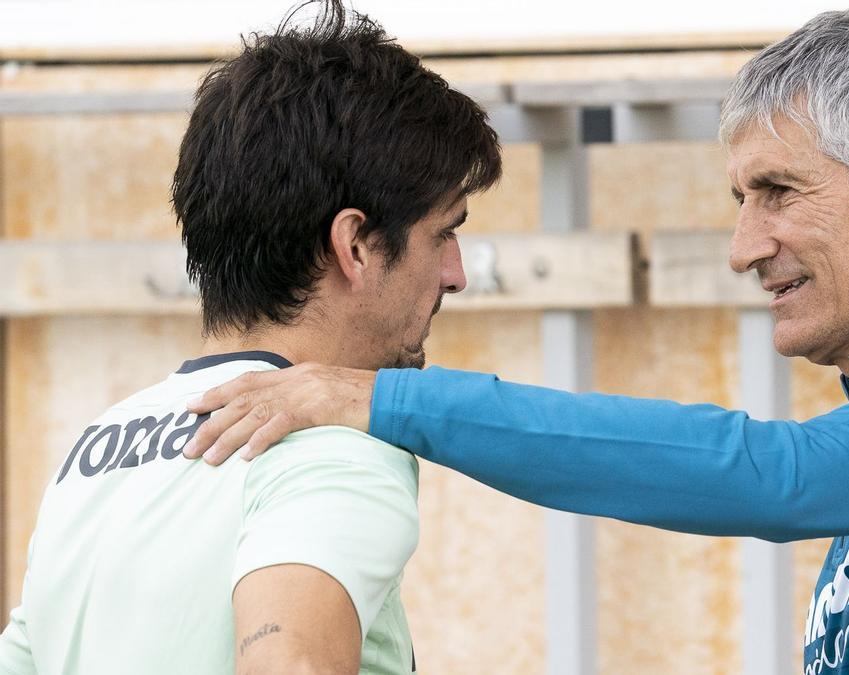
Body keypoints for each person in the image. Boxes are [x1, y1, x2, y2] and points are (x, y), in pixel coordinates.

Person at [182, 1, 849, 672]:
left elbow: (770, 475)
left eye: (779, 193)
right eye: (741, 200)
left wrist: (378, 399)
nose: (746, 245)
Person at [0, 1, 501, 673]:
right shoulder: (333, 441)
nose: (456, 273)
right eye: (444, 232)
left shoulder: (91, 454)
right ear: (354, 244)